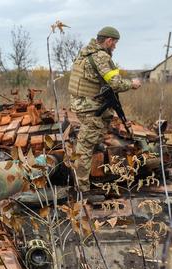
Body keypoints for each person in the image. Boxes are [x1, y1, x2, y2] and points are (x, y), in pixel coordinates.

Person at [68, 26, 141, 198]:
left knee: (92, 141)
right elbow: (115, 83)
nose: (114, 46)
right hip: (90, 107)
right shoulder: (101, 56)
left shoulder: (85, 53)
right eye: (114, 43)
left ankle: (88, 178)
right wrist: (132, 83)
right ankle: (82, 190)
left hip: (83, 104)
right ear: (108, 41)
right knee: (85, 147)